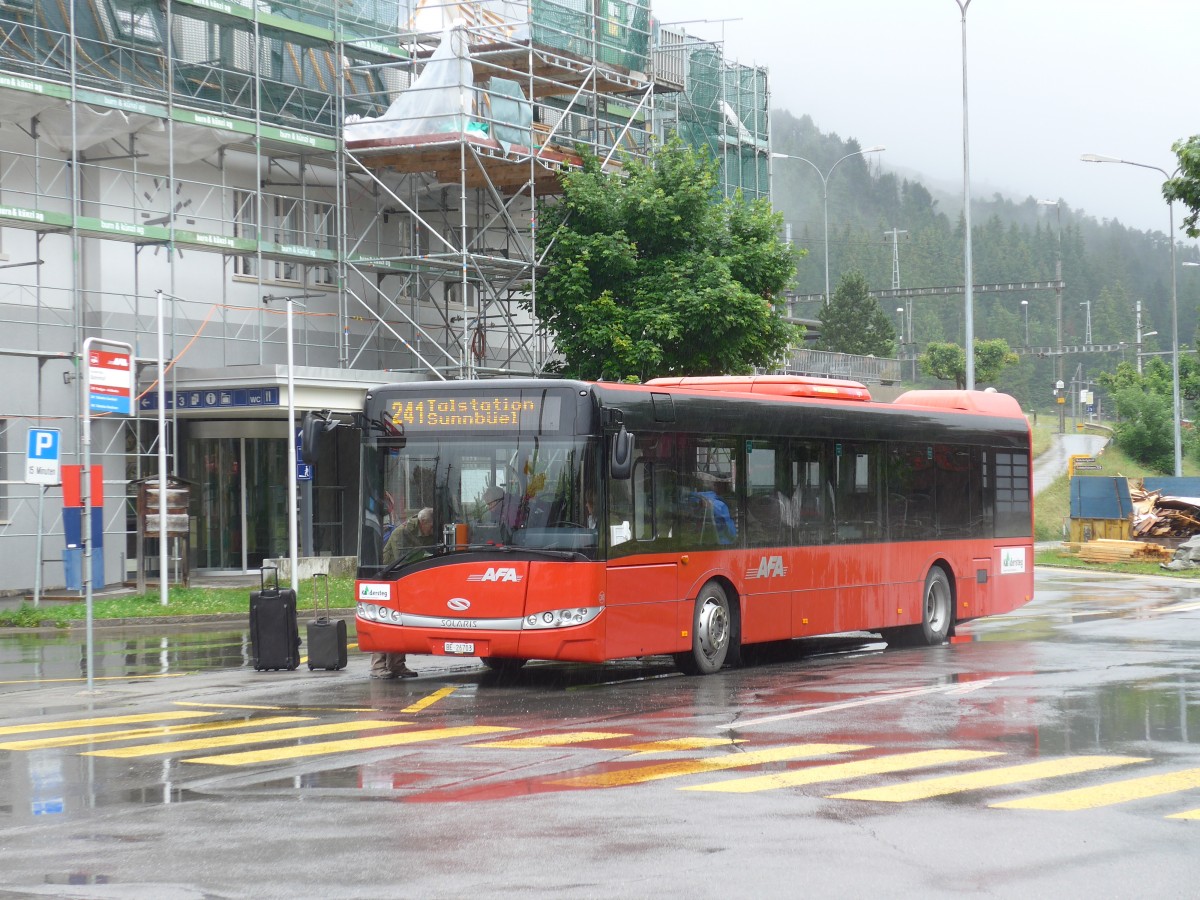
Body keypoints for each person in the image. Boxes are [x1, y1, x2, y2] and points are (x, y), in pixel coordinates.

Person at [371, 507, 433, 679]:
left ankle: (397, 665)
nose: (432, 531)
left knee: (400, 623)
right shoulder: (402, 533)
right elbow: (401, 560)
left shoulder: (425, 531)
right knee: (384, 622)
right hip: (388, 579)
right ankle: (378, 666)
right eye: (431, 526)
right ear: (423, 523)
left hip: (407, 580)